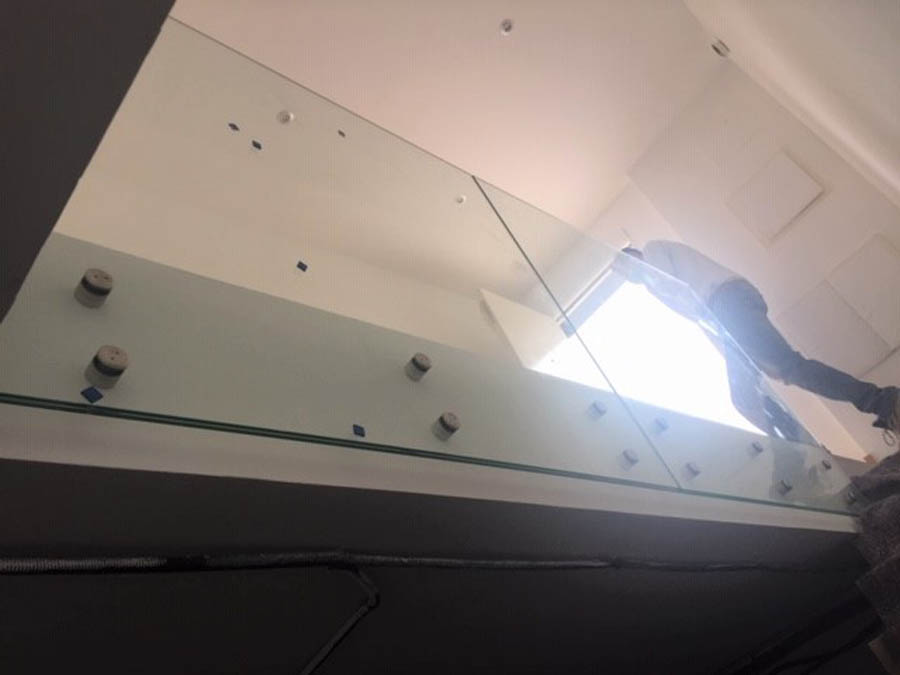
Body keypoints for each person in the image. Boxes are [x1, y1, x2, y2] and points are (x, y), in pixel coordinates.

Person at [621, 240, 900, 439]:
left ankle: (884, 402)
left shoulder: (652, 253)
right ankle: (799, 451)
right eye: (620, 272)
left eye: (622, 265)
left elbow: (680, 293)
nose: (625, 273)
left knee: (786, 370)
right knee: (749, 393)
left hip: (725, 302)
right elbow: (699, 315)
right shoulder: (653, 276)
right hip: (729, 306)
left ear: (633, 254)